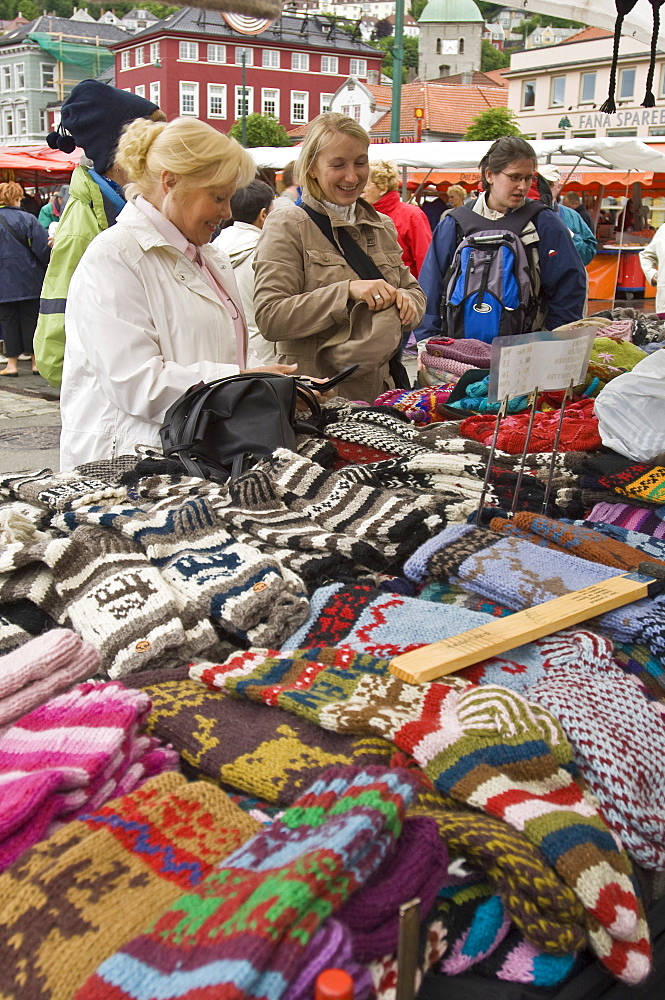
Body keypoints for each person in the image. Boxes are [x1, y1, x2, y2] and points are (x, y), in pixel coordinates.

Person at [59, 117, 299, 470]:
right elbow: (139, 384)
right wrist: (251, 380)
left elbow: (213, 357)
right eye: (218, 197)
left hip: (189, 455)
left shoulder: (209, 257)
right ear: (170, 181)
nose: (227, 212)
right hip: (128, 465)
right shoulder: (114, 256)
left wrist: (265, 379)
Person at [253, 112, 426, 403]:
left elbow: (414, 290)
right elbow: (271, 317)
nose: (352, 176)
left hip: (381, 397)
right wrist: (345, 292)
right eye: (338, 165)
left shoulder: (381, 225)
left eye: (360, 163)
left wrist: (408, 303)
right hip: (318, 403)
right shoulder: (289, 223)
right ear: (311, 169)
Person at [34, 79, 166, 389]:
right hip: (110, 388)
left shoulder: (126, 201)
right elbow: (58, 309)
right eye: (152, 142)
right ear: (121, 151)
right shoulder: (87, 217)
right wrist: (86, 380)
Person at [413, 136, 587, 343]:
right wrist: (428, 344)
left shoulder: (544, 222)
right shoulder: (454, 223)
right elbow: (430, 289)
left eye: (528, 178)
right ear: (490, 175)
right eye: (514, 177)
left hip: (527, 351)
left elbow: (568, 288)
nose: (522, 186)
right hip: (457, 349)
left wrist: (553, 343)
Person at [213, 179, 276, 365]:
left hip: (229, 356)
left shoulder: (213, 248)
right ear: (264, 215)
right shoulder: (267, 253)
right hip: (265, 356)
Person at [0, 181, 50, 377]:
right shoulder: (28, 219)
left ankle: (12, 365)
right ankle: (35, 362)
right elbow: (42, 248)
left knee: (8, 321)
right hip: (30, 279)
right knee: (33, 320)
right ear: (17, 197)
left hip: (3, 281)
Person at [362, 160, 432, 277]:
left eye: (365, 185)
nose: (360, 190)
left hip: (403, 291)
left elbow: (425, 262)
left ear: (383, 188)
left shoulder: (412, 216)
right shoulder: (357, 215)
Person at [538, 164, 596, 265]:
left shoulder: (572, 216)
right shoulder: (523, 215)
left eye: (550, 184)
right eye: (540, 184)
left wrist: (570, 236)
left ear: (558, 187)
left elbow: (588, 253)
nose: (545, 189)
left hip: (566, 278)